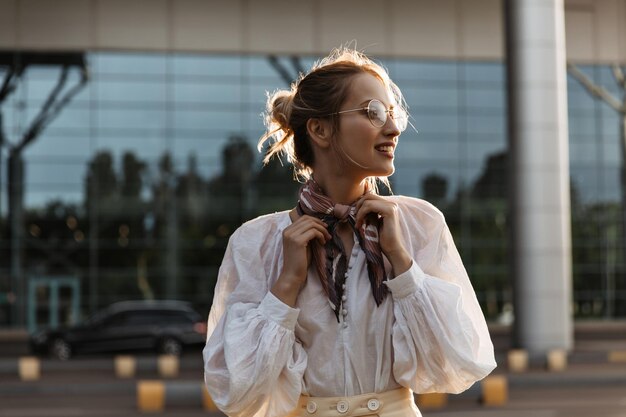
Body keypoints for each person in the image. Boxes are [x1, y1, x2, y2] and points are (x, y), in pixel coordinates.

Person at [203, 47, 497, 417]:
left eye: (394, 114)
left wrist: (403, 266)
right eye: (373, 113)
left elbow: (458, 364)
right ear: (320, 129)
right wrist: (287, 283)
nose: (392, 128)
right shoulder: (256, 243)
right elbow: (236, 391)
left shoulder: (419, 224)